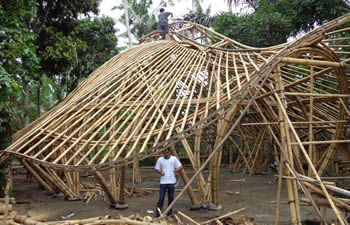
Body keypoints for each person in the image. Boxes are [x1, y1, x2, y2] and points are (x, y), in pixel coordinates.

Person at [155, 148, 182, 217]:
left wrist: (176, 170)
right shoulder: (160, 159)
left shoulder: (174, 159)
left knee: (171, 198)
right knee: (161, 198)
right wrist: (160, 172)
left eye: (167, 152)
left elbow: (180, 166)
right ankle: (158, 213)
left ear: (170, 152)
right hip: (163, 182)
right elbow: (156, 168)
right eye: (164, 152)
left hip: (171, 182)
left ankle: (169, 213)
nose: (165, 154)